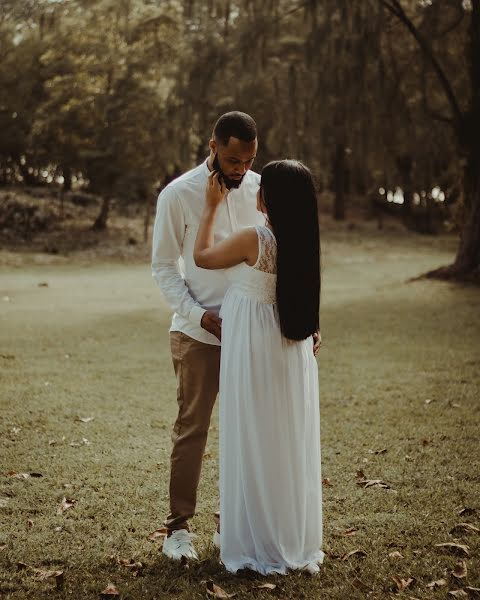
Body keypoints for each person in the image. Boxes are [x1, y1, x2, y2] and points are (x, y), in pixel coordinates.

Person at [194, 159, 324, 575]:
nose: (255, 189)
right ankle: (282, 532)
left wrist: (211, 206)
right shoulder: (303, 240)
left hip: (254, 346)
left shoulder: (255, 238)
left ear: (270, 196)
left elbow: (201, 257)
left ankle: (257, 539)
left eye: (261, 185)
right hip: (288, 344)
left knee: (253, 432)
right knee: (282, 437)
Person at [151, 111, 265, 560]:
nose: (241, 169)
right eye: (234, 159)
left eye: (249, 160)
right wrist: (199, 316)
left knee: (246, 430)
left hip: (253, 332)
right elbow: (164, 267)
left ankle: (230, 524)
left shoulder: (260, 189)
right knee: (192, 429)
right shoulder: (178, 194)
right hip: (198, 333)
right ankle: (177, 530)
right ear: (213, 145)